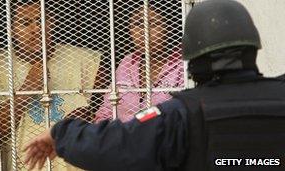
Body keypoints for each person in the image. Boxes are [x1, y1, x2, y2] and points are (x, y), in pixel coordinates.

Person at [24, 0, 285, 170]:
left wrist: (62, 133)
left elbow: (118, 144)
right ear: (253, 47)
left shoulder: (182, 114)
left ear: (193, 54)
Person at [0, 0, 101, 170]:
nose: (36, 29)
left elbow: (108, 116)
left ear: (51, 22)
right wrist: (27, 88)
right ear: (11, 29)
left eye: (41, 20)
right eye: (25, 23)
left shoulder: (85, 61)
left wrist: (84, 118)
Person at [95, 1, 184, 122]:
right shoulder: (127, 63)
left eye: (153, 24)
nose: (144, 32)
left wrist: (138, 126)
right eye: (138, 23)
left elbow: (182, 112)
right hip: (122, 137)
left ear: (170, 26)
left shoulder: (182, 64)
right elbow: (107, 109)